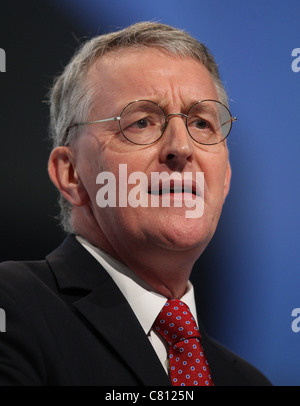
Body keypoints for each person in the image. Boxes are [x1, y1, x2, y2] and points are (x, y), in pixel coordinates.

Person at [0, 22, 271, 386]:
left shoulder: (249, 382)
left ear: (224, 180)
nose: (182, 147)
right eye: (142, 122)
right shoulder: (14, 309)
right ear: (71, 173)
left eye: (202, 123)